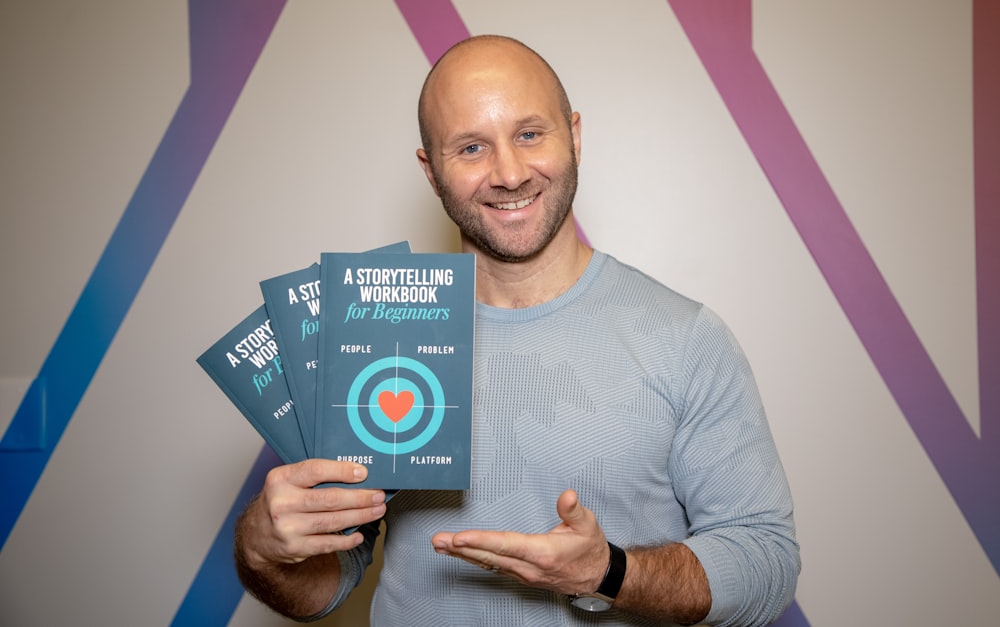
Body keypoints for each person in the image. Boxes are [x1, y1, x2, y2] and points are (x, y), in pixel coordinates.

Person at [234, 35, 800, 626]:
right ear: (431, 171)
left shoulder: (687, 339)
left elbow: (766, 563)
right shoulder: (373, 334)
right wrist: (262, 550)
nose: (508, 173)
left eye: (530, 135)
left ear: (574, 136)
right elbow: (324, 585)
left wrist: (607, 572)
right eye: (472, 147)